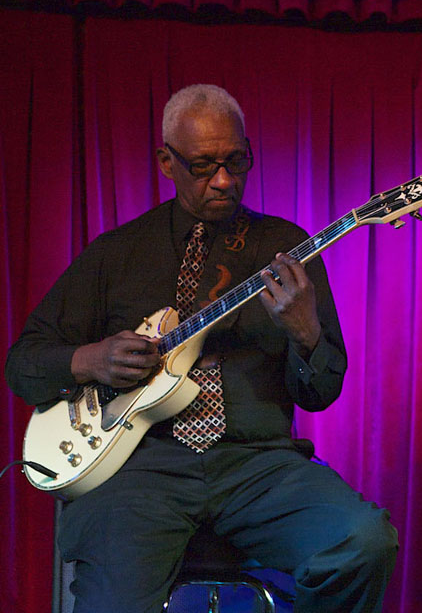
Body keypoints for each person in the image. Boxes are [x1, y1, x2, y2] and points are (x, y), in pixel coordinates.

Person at [5, 84, 398, 613]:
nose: (224, 180)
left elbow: (321, 392)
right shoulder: (117, 254)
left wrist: (306, 333)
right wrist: (92, 358)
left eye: (237, 161)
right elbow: (23, 363)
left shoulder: (285, 249)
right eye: (204, 165)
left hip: (257, 466)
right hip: (140, 469)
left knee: (364, 542)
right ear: (167, 162)